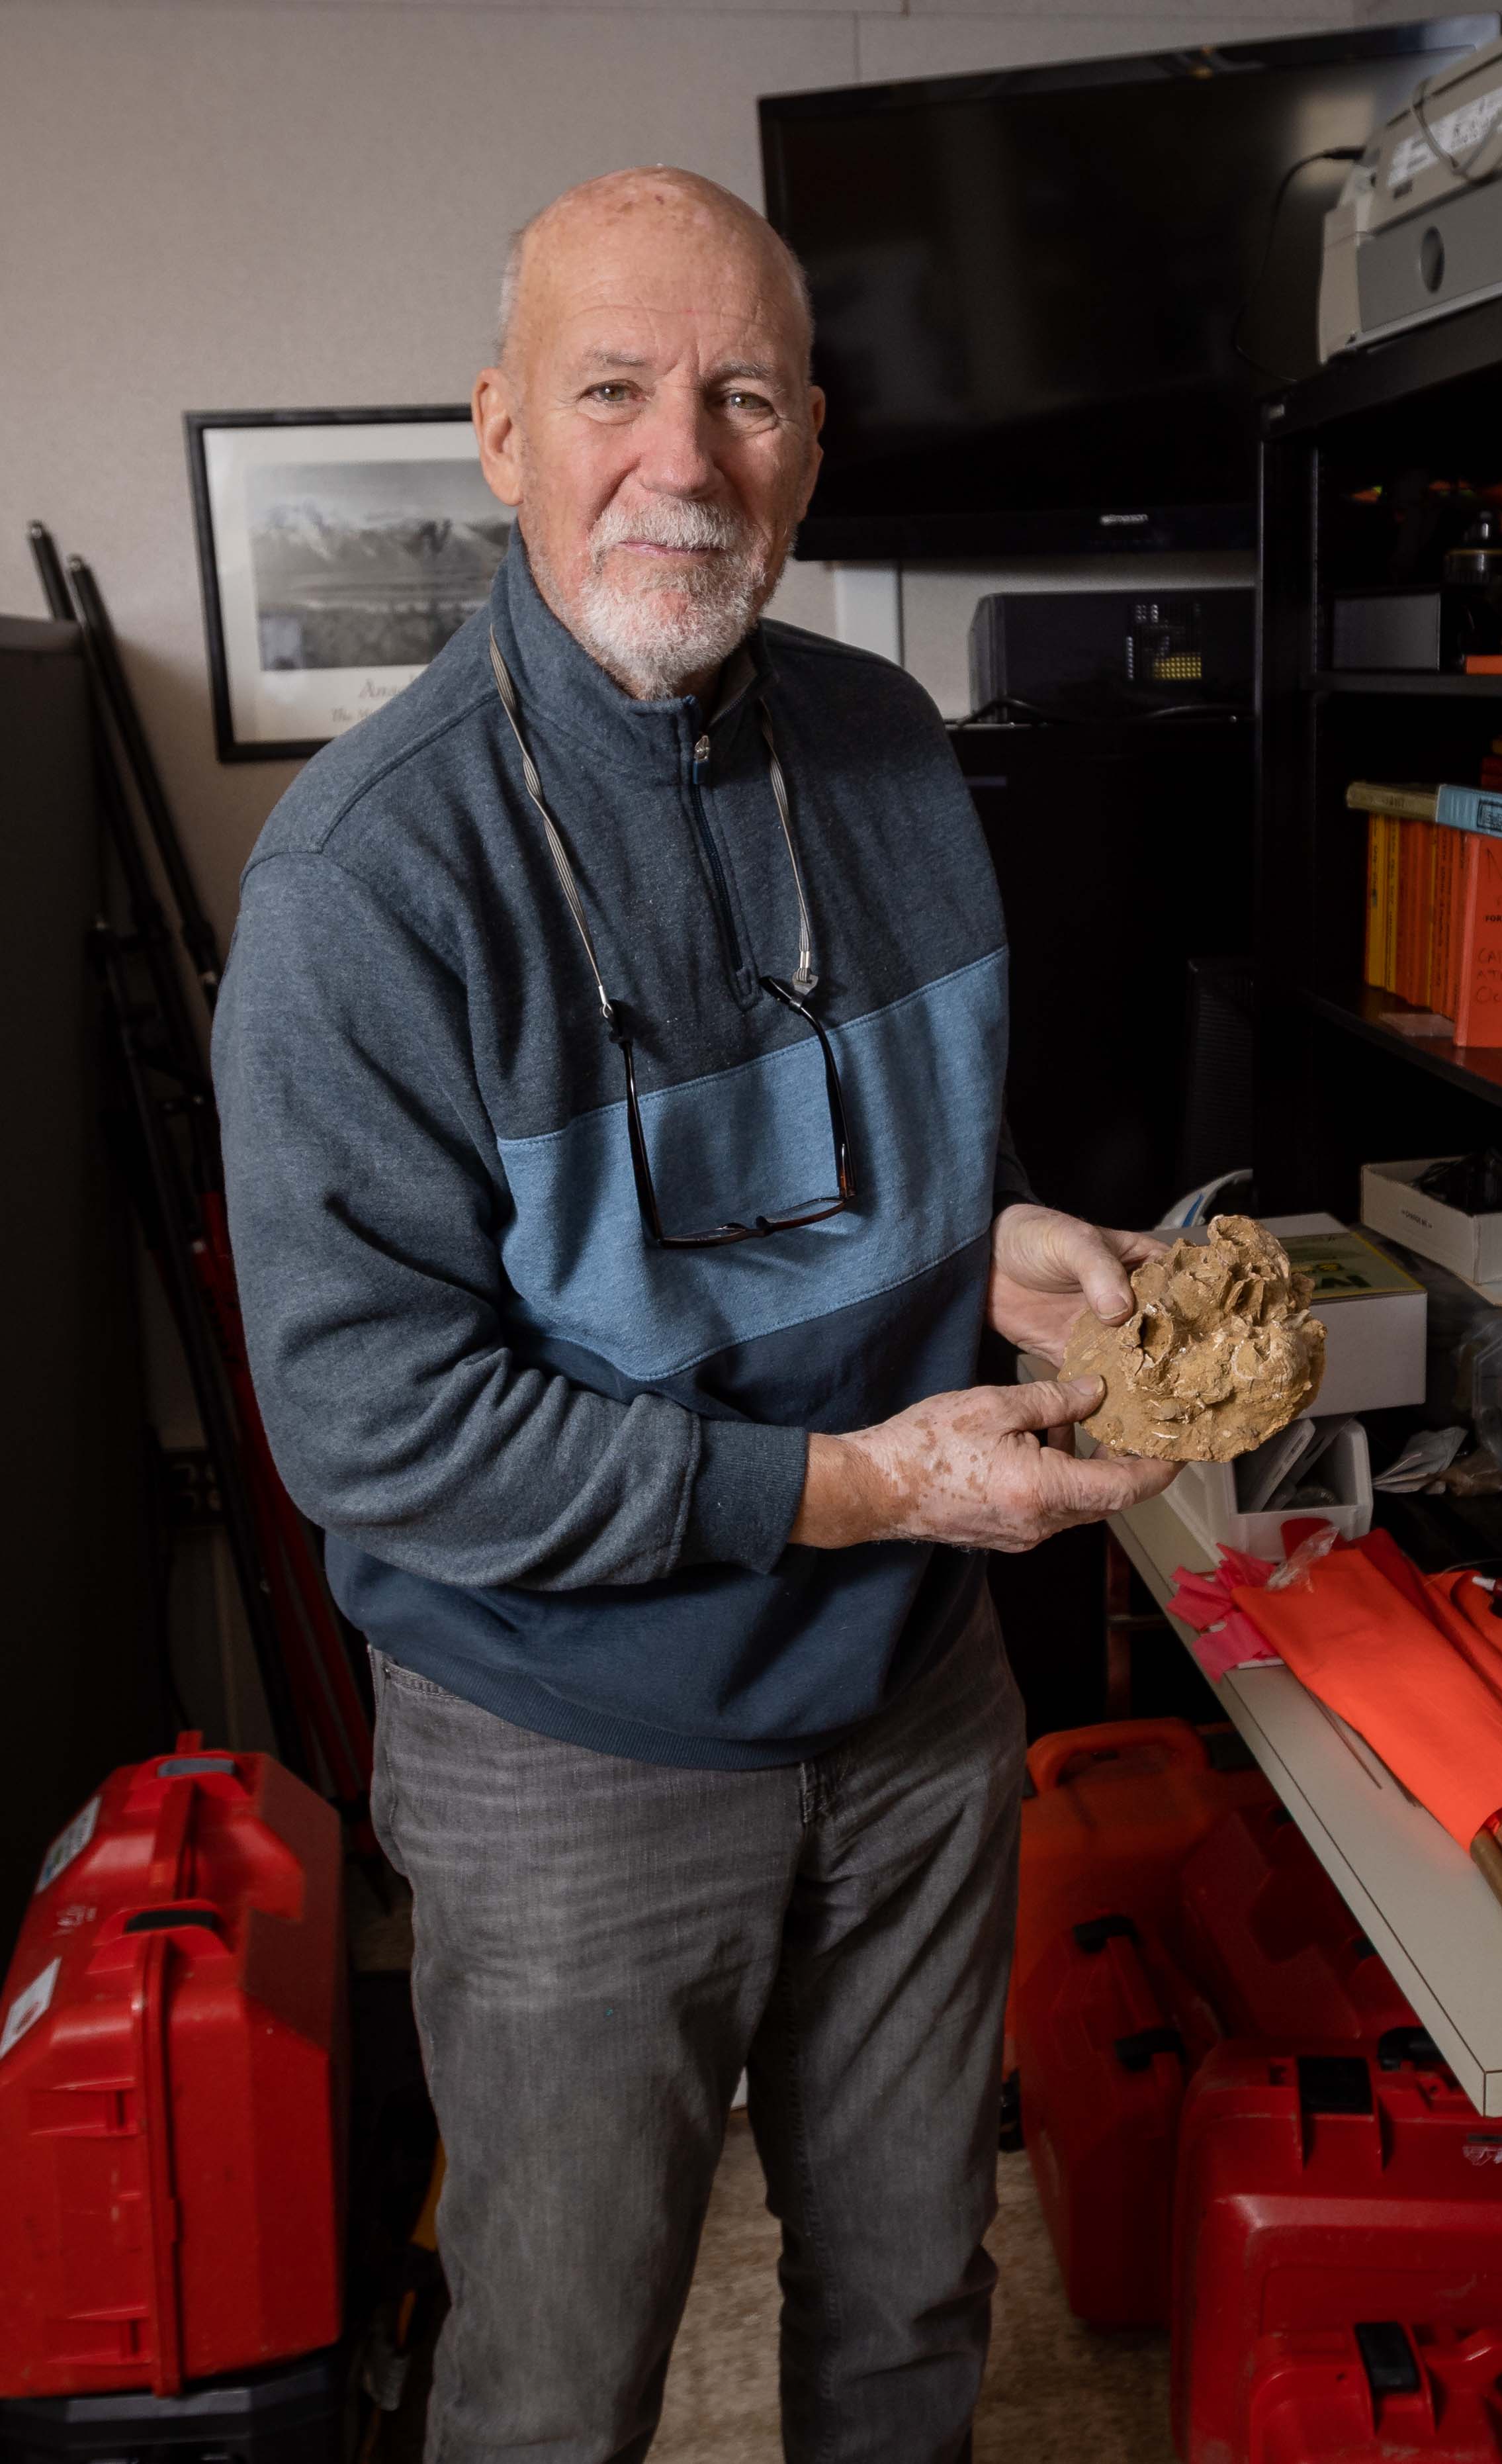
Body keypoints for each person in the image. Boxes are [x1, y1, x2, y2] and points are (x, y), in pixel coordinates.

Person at [213, 166, 1176, 2464]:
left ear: (811, 442)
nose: (685, 458)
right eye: (615, 391)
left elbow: (852, 1180)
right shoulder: (366, 878)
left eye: (741, 396)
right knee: (555, 2384)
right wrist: (860, 1484)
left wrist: (995, 1245)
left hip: (915, 1705)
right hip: (570, 1749)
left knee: (913, 2312)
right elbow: (375, 1426)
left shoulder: (885, 747)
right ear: (500, 432)